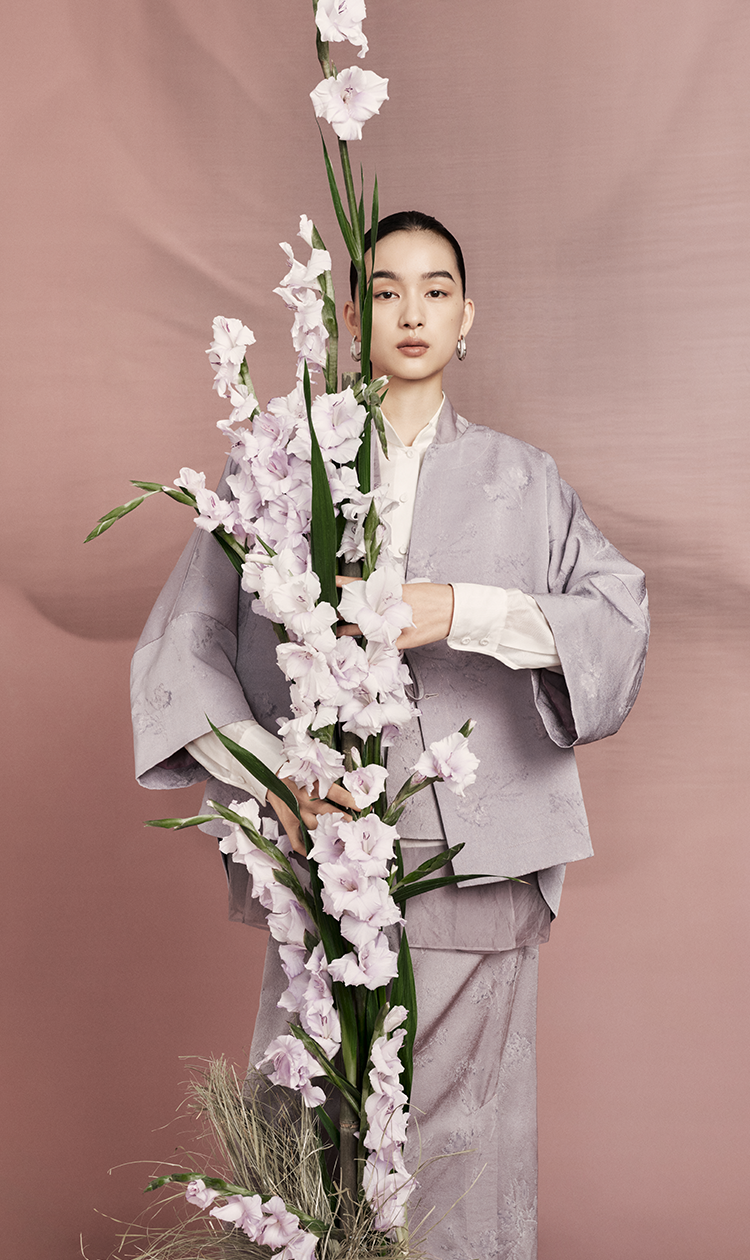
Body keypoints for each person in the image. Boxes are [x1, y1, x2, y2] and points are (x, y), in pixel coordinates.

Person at [131, 210, 649, 1260]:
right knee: (310, 1148)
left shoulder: (524, 479)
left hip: (481, 860)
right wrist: (276, 778)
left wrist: (459, 609)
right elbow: (184, 647)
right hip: (330, 861)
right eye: (386, 290)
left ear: (467, 316)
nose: (412, 311)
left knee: (466, 1160)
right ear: (350, 314)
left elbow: (617, 623)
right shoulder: (280, 463)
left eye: (436, 289)